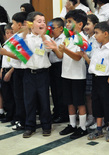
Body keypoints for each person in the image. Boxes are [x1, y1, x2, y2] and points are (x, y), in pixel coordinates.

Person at [45, 9, 88, 139]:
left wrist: (65, 49)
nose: (67, 24)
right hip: (66, 74)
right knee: (69, 102)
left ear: (80, 24)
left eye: (70, 22)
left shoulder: (83, 39)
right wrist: (54, 47)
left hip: (78, 75)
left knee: (79, 102)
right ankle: (72, 125)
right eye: (67, 22)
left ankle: (82, 127)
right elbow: (61, 55)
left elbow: (78, 57)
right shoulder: (69, 38)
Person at [81, 21, 109, 142]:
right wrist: (84, 55)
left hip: (105, 80)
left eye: (97, 33)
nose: (95, 35)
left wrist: (108, 83)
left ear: (106, 34)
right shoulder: (96, 48)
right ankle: (98, 128)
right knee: (96, 104)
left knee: (108, 105)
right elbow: (91, 64)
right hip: (95, 79)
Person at [22, 11, 52, 138]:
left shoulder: (47, 38)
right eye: (39, 21)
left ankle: (46, 126)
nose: (42, 23)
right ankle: (30, 126)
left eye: (44, 21)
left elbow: (49, 49)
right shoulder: (26, 38)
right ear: (31, 23)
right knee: (29, 101)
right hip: (28, 74)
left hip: (43, 74)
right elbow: (20, 50)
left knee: (44, 101)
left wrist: (43, 35)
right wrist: (25, 30)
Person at [48, 17, 69, 123]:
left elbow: (60, 55)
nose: (51, 30)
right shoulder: (53, 38)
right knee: (54, 91)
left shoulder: (64, 39)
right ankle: (56, 112)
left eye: (53, 28)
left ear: (61, 28)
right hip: (52, 66)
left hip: (60, 66)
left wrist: (53, 47)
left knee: (61, 91)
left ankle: (63, 114)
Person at [83, 14, 100, 127]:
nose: (85, 26)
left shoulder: (97, 39)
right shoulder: (84, 38)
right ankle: (91, 116)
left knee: (96, 95)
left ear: (95, 25)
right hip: (85, 67)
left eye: (88, 24)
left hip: (96, 69)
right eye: (84, 24)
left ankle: (99, 118)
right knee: (88, 94)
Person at [0, 23, 15, 124]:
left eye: (11, 32)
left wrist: (9, 72)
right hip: (4, 69)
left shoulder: (15, 44)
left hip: (12, 71)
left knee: (14, 95)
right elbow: (4, 59)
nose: (9, 35)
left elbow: (19, 60)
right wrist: (1, 69)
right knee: (6, 95)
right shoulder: (5, 44)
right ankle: (9, 114)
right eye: (7, 33)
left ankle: (15, 115)